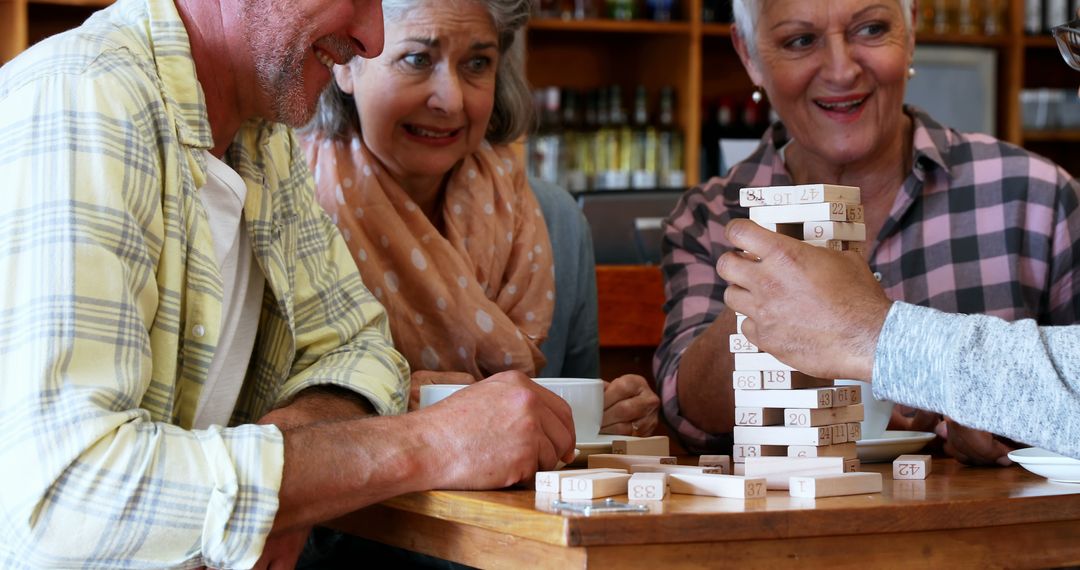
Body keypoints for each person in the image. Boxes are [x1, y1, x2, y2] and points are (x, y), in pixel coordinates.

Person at [0, 0, 577, 567]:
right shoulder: (80, 99)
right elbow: (64, 498)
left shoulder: (263, 136)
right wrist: (430, 445)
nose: (372, 37)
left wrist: (286, 490)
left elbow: (358, 351)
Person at [654, 0, 1080, 464]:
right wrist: (770, 301)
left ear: (911, 30)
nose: (841, 71)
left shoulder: (1036, 195)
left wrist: (1013, 430)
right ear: (749, 55)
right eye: (800, 40)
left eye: (872, 29)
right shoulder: (710, 216)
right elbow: (687, 414)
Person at [301, 0, 659, 437]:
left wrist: (608, 416)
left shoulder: (557, 221)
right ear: (345, 65)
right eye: (417, 59)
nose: (451, 100)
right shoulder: (296, 210)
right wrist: (383, 403)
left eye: (477, 63)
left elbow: (574, 431)